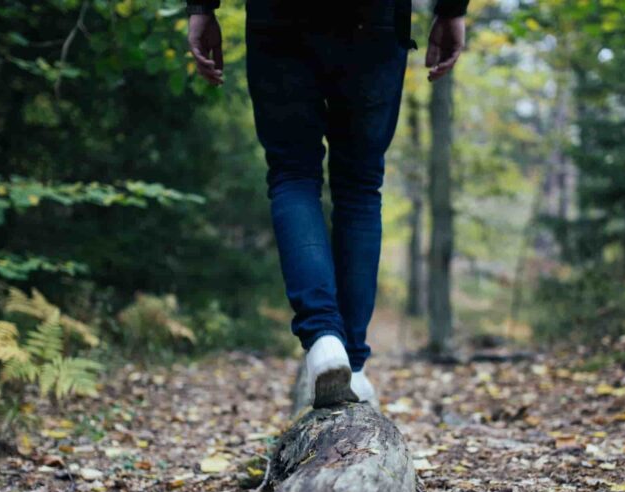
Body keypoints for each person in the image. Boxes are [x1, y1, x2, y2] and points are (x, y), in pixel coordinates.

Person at [188, 1, 467, 408]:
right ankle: (351, 364)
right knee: (359, 188)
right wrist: (451, 11)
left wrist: (201, 8)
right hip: (374, 19)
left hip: (278, 18)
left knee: (294, 175)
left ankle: (323, 341)